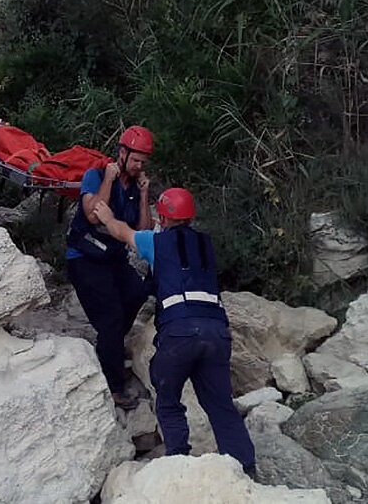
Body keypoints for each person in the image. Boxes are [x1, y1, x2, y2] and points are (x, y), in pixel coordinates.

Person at [93, 187, 257, 478]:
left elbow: (122, 233)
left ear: (163, 218)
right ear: (190, 217)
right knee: (220, 405)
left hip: (180, 332)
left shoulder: (156, 242)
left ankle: (179, 463)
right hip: (217, 332)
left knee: (168, 399)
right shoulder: (206, 246)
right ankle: (246, 470)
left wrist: (106, 216)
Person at [65, 125, 154, 409]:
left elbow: (142, 231)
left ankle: (109, 344)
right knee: (111, 318)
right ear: (122, 153)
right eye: (135, 160)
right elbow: (93, 215)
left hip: (113, 258)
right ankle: (114, 386)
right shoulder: (96, 176)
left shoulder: (135, 187)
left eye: (143, 161)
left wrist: (143, 195)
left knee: (137, 293)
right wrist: (109, 179)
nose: (139, 166)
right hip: (85, 257)